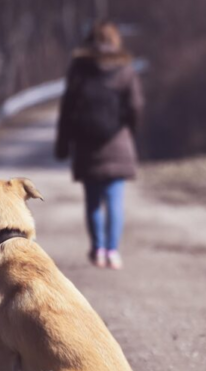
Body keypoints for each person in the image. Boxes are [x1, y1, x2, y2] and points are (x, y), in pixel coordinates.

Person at [55, 21, 144, 270]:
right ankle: (113, 251)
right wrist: (131, 130)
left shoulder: (79, 68)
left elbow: (67, 109)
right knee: (115, 202)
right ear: (117, 41)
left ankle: (98, 250)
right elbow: (136, 106)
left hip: (86, 146)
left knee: (93, 202)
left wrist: (63, 143)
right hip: (118, 142)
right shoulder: (126, 69)